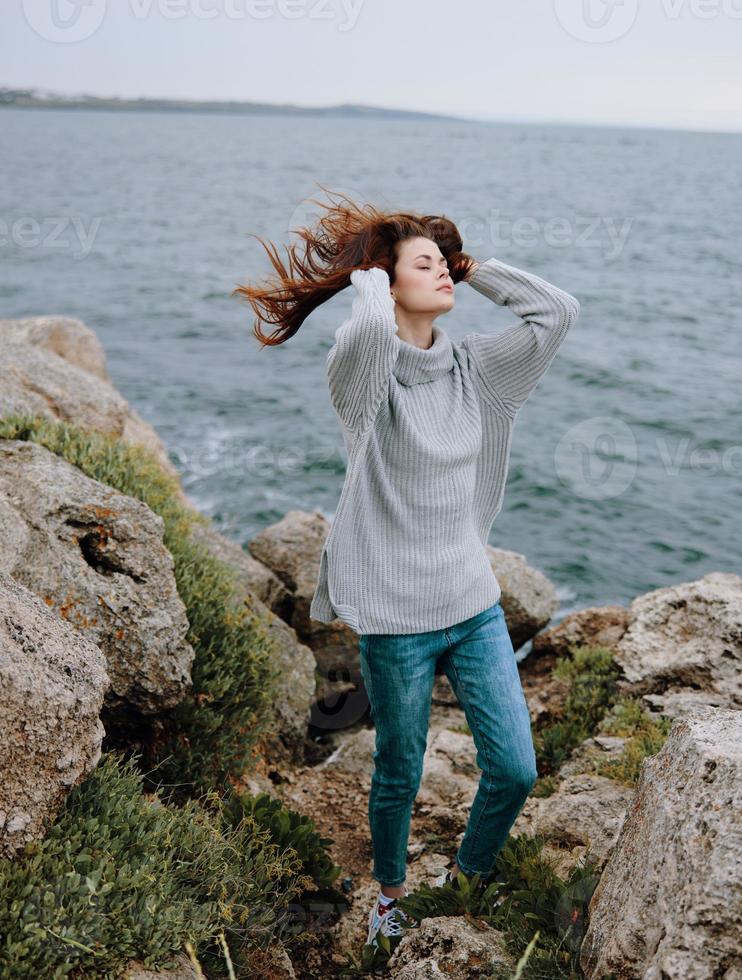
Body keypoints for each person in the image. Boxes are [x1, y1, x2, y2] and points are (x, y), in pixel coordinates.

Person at [234, 189, 580, 950]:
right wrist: (369, 278)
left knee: (516, 769)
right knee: (399, 769)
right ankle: (390, 896)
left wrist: (472, 264)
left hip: (473, 603)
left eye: (445, 263)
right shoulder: (366, 379)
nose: (445, 274)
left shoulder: (480, 370)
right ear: (387, 285)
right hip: (395, 618)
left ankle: (469, 876)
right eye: (426, 266)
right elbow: (363, 337)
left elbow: (555, 313)